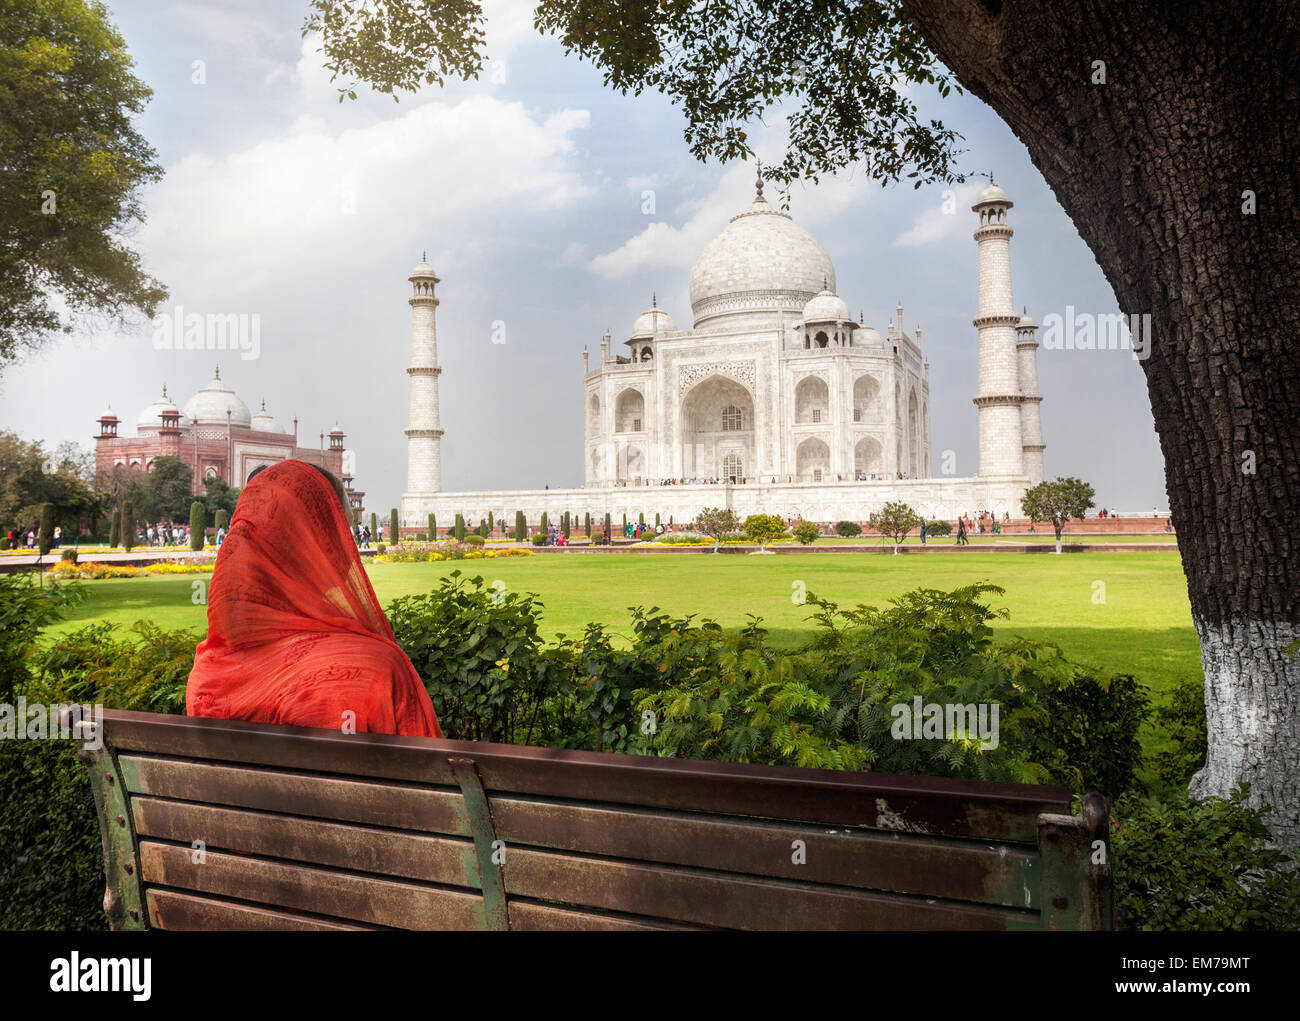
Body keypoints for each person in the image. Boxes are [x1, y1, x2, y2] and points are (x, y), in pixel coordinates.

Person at [186, 460, 442, 738]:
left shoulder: (208, 674)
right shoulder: (376, 671)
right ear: (320, 544)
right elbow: (426, 773)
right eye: (340, 531)